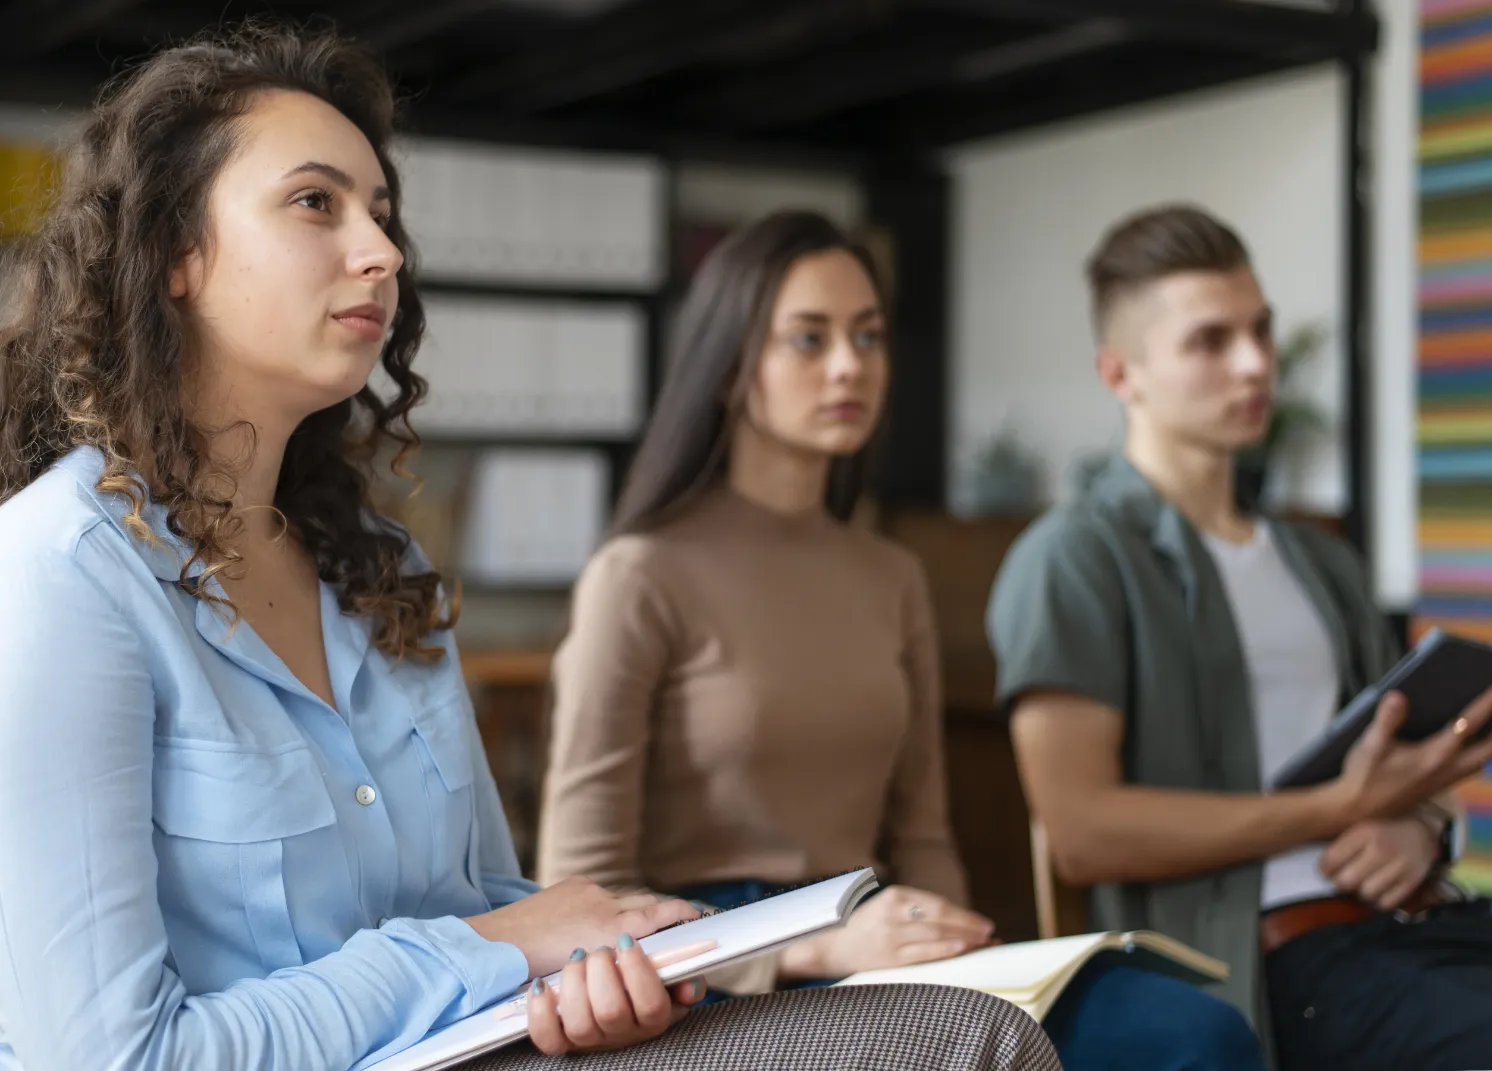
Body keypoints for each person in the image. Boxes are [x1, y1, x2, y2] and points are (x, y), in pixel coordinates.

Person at [0, 23, 1064, 1071]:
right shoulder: (61, 571)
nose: (382, 251)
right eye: (315, 204)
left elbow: (493, 909)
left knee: (971, 1032)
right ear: (174, 252)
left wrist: (587, 971)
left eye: (381, 213)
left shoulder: (377, 567)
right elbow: (112, 1055)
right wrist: (492, 949)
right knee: (967, 1047)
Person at [537, 209, 1267, 1070]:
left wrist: (952, 951)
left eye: (869, 336)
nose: (851, 364)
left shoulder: (890, 576)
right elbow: (580, 886)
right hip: (713, 971)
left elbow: (922, 832)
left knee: (1197, 1033)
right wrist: (803, 948)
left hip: (878, 932)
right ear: (732, 365)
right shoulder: (640, 575)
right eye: (809, 339)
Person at [987, 203, 1492, 1071]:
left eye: (1259, 331)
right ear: (1121, 372)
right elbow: (1082, 831)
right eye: (1209, 341)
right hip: (1267, 959)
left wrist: (1417, 826)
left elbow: (1408, 766)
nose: (1256, 363)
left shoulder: (1318, 558)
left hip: (1427, 918)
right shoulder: (1074, 558)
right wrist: (1335, 810)